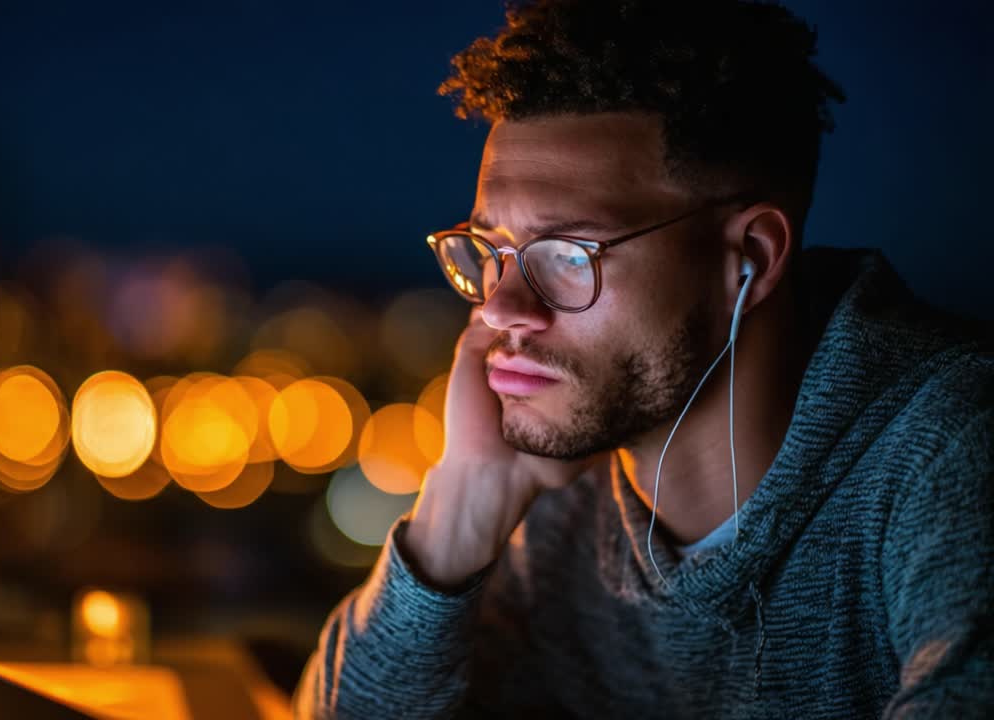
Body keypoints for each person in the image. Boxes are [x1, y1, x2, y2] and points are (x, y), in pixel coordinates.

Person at [294, 0, 994, 717]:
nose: (499, 309)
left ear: (749, 258)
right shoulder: (551, 499)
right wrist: (463, 498)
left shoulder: (950, 453)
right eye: (492, 252)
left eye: (567, 255)